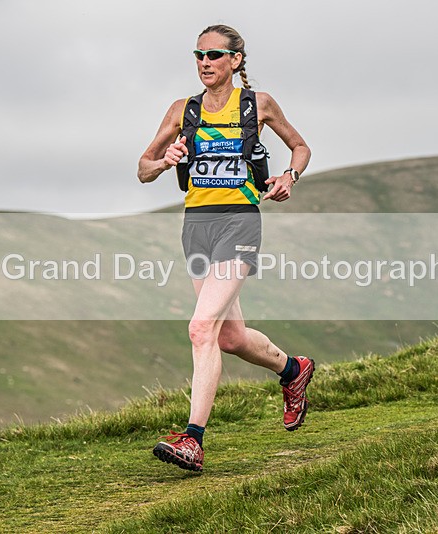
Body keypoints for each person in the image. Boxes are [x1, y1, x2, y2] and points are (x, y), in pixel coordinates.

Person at [137, 24, 313, 473]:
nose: (204, 62)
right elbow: (142, 169)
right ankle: (292, 371)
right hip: (196, 225)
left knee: (201, 329)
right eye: (198, 54)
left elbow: (300, 147)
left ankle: (193, 440)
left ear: (235, 61)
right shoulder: (183, 110)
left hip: (239, 222)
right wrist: (165, 161)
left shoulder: (258, 104)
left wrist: (287, 177)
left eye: (214, 55)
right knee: (230, 337)